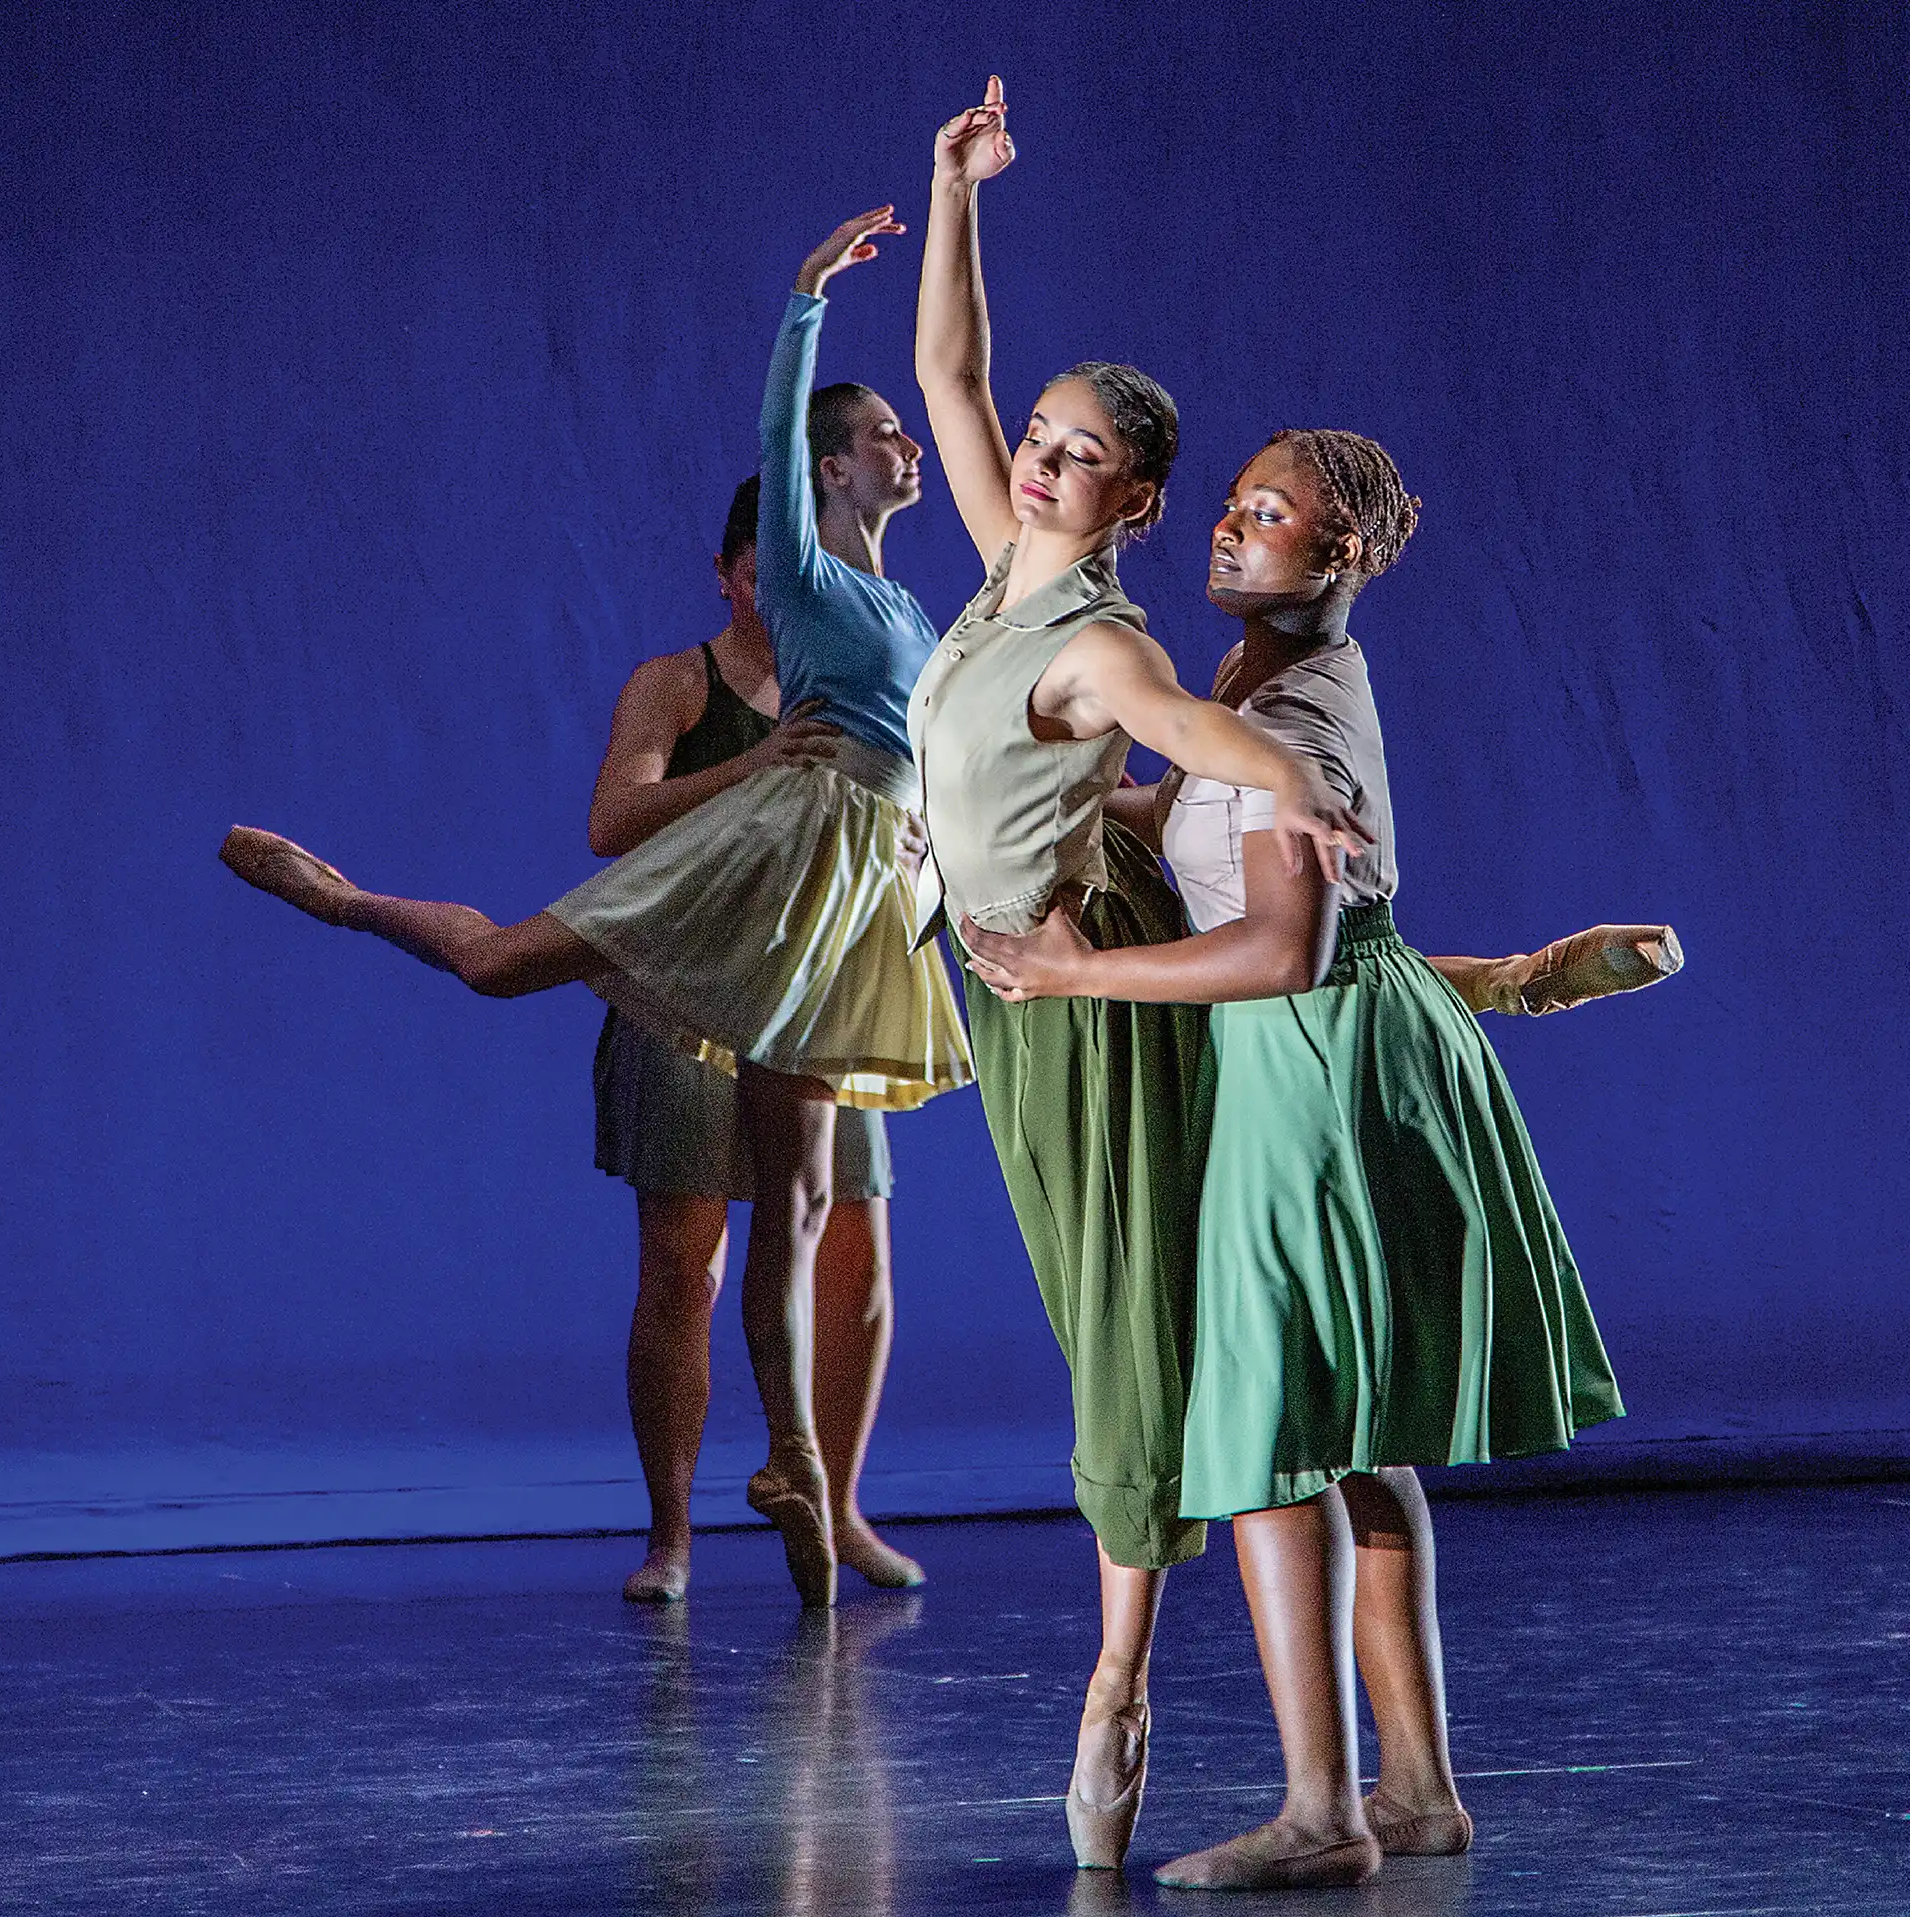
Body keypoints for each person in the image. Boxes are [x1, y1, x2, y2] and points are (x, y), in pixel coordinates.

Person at [219, 214, 983, 1608]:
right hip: (769, 866)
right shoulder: (803, 580)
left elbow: (944, 753)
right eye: (885, 432)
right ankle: (348, 900)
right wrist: (805, 297)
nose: (907, 446)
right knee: (503, 969)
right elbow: (776, 437)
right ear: (826, 471)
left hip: (859, 895)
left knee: (806, 1201)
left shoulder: (914, 609)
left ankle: (798, 1464)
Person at [960, 426, 1629, 1891]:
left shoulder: (1300, 722)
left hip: (1311, 1066)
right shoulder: (1260, 681)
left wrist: (1070, 973)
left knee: (1271, 1437)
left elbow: (1281, 947)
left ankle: (1324, 1811)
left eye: (1268, 515)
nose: (1229, 527)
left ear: (1341, 555)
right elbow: (1202, 816)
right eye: (1232, 503)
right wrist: (1031, 800)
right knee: (1350, 1434)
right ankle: (1419, 1794)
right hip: (1347, 1050)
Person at [910, 75, 1380, 1874]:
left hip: (1074, 980)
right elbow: (948, 372)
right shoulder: (1002, 572)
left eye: (1080, 453)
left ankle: (1117, 1688)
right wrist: (957, 189)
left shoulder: (1097, 641)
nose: (1039, 459)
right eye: (1042, 437)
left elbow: (1194, 730)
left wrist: (1301, 791)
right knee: (1100, 1309)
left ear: (1139, 498)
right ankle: (1171, 1682)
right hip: (1007, 987)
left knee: (1120, 1321)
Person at [589, 476, 924, 1602]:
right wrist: (751, 762)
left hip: (825, 996)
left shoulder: (864, 674)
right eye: (760, 575)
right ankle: (671, 1535)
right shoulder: (677, 683)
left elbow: (917, 810)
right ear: (733, 575)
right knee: (685, 1266)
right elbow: (610, 821)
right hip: (692, 995)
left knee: (855, 1256)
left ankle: (837, 1503)